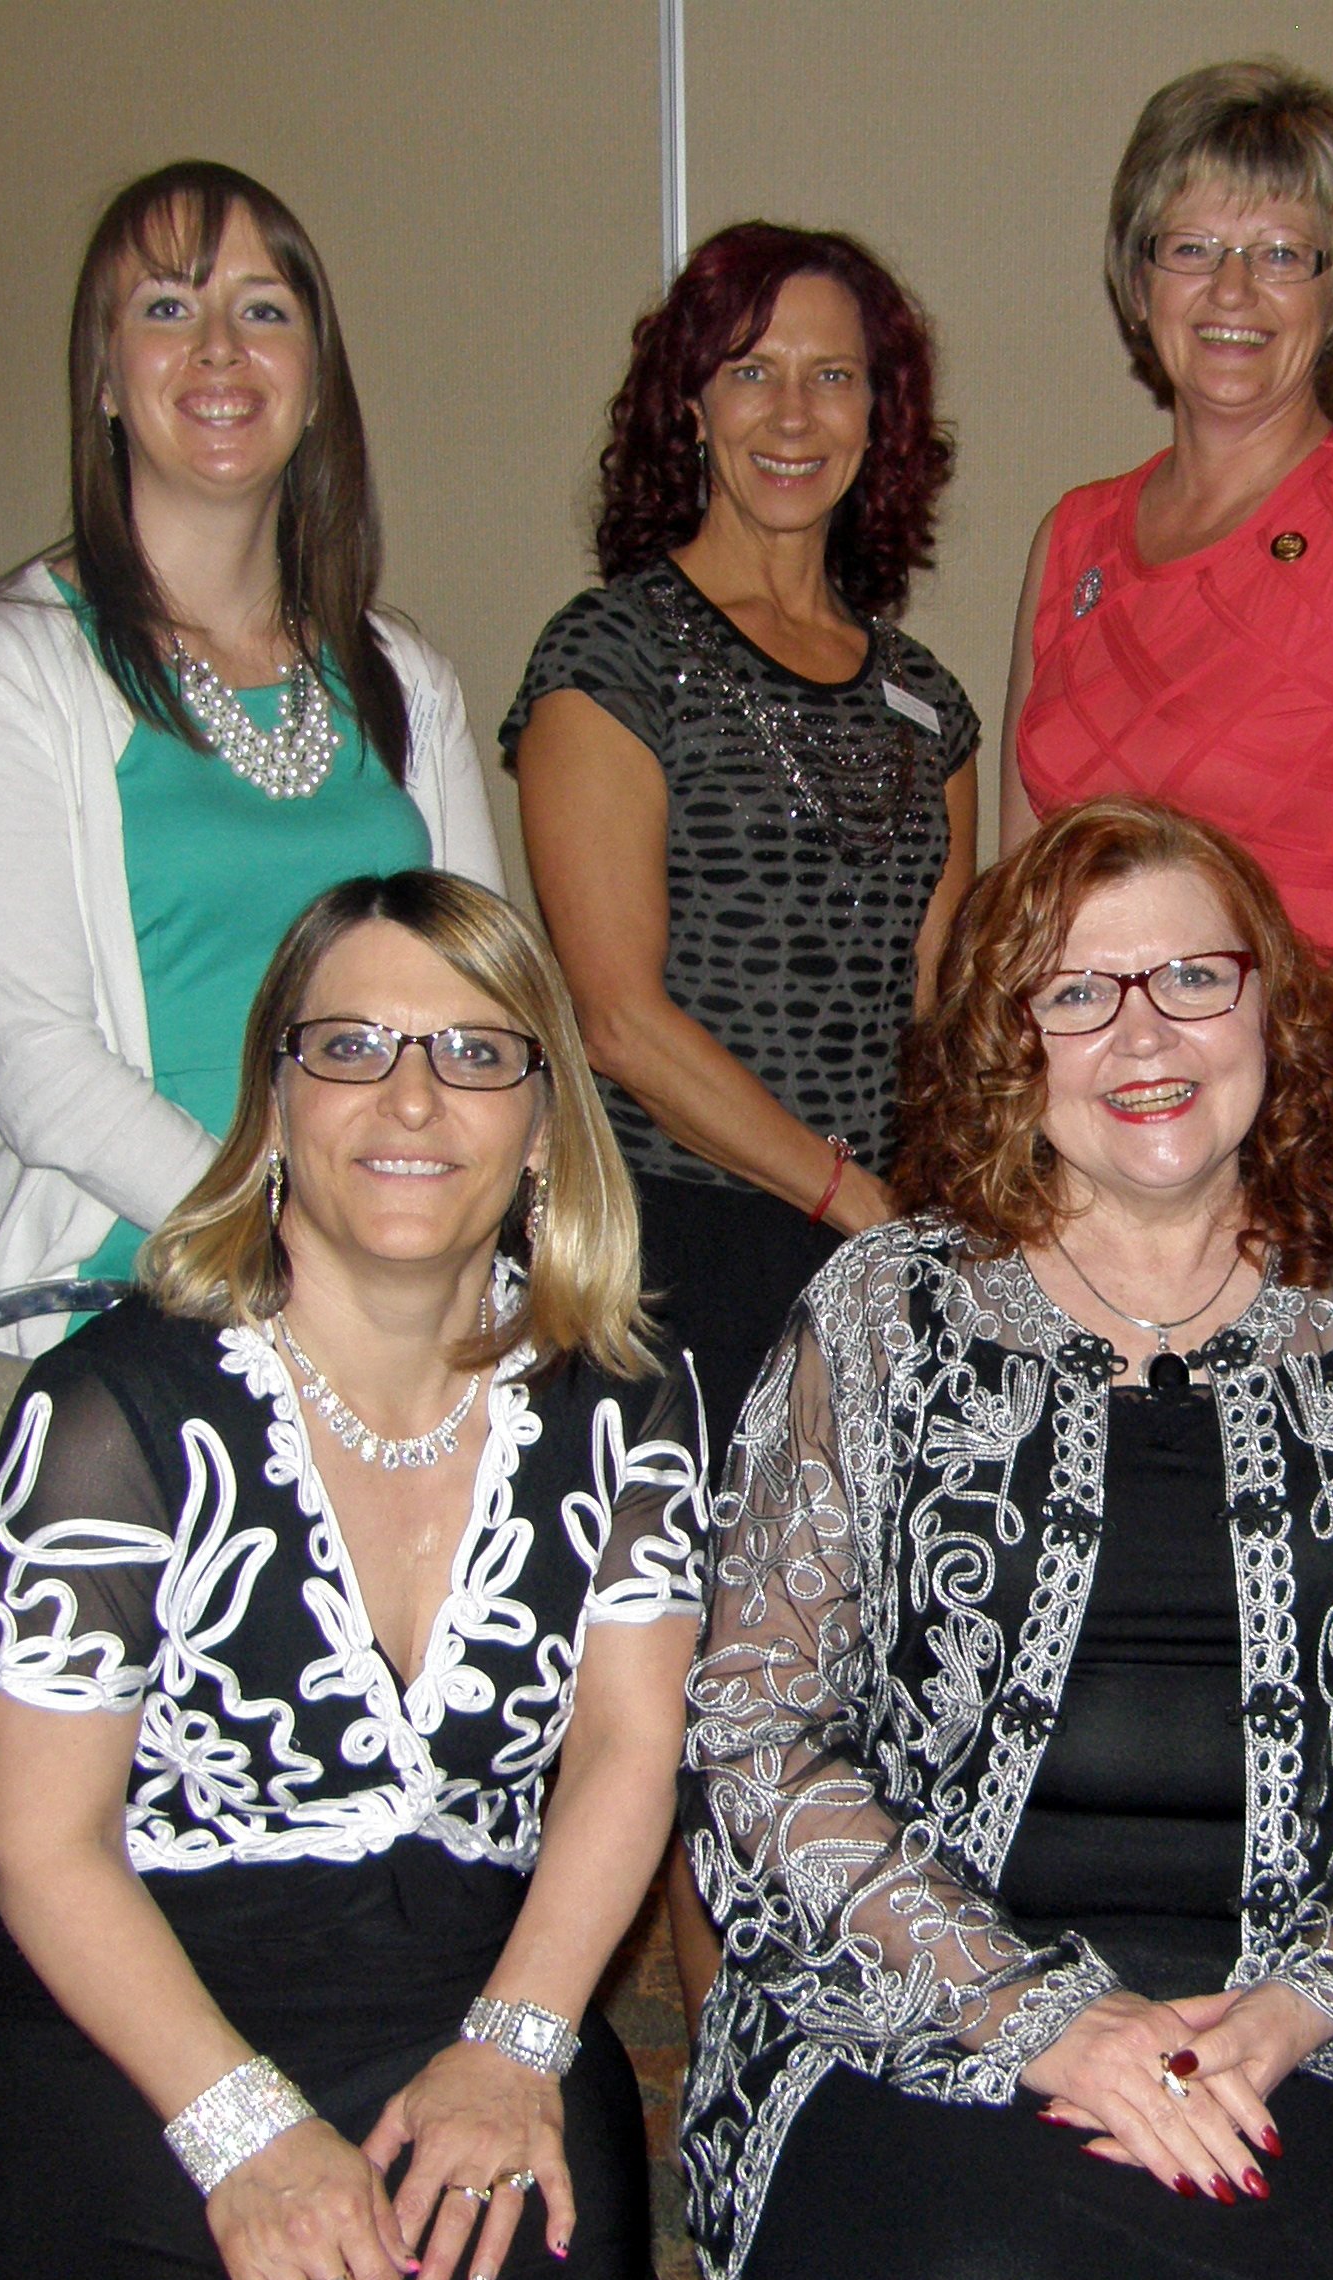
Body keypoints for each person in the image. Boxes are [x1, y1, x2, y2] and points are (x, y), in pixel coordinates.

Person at [678, 796, 1333, 2280]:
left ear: (1271, 1009)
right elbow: (758, 1732)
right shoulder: (884, 1313)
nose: (1143, 1038)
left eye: (1193, 979)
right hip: (922, 2016)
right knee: (977, 2274)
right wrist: (1038, 2020)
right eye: (1078, 995)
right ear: (1006, 1047)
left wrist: (1302, 2003)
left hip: (1329, 2024)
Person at [0, 872, 701, 2280]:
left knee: (531, 2263)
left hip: (465, 1979)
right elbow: (40, 1847)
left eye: (476, 1054)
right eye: (350, 1047)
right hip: (112, 1994)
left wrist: (522, 2040)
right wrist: (242, 2135)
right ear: (277, 1108)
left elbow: (630, 1744)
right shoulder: (112, 1415)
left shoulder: (623, 1399)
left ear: (545, 1122)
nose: (412, 1102)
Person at [0, 162, 502, 1346]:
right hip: (134, 1302)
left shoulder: (406, 681)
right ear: (107, 379)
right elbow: (40, 1069)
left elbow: (483, 1015)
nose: (221, 348)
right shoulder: (2, 672)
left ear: (316, 384)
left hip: (399, 1309)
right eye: (168, 309)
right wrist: (293, 1250)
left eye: (264, 309)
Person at [1003, 59, 1333, 1306]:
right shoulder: (1071, 536)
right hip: (1117, 1137)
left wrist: (1241, 1149)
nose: (1235, 291)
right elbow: (1017, 913)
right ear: (1137, 279)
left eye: (1284, 253)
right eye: (1193, 248)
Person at [504, 219, 980, 1439]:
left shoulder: (930, 698)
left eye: (833, 377)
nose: (792, 414)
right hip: (677, 1244)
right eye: (750, 372)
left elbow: (940, 1005)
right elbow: (617, 1019)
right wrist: (849, 1198)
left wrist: (954, 1222)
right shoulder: (609, 655)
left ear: (881, 417)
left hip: (881, 1255)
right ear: (693, 410)